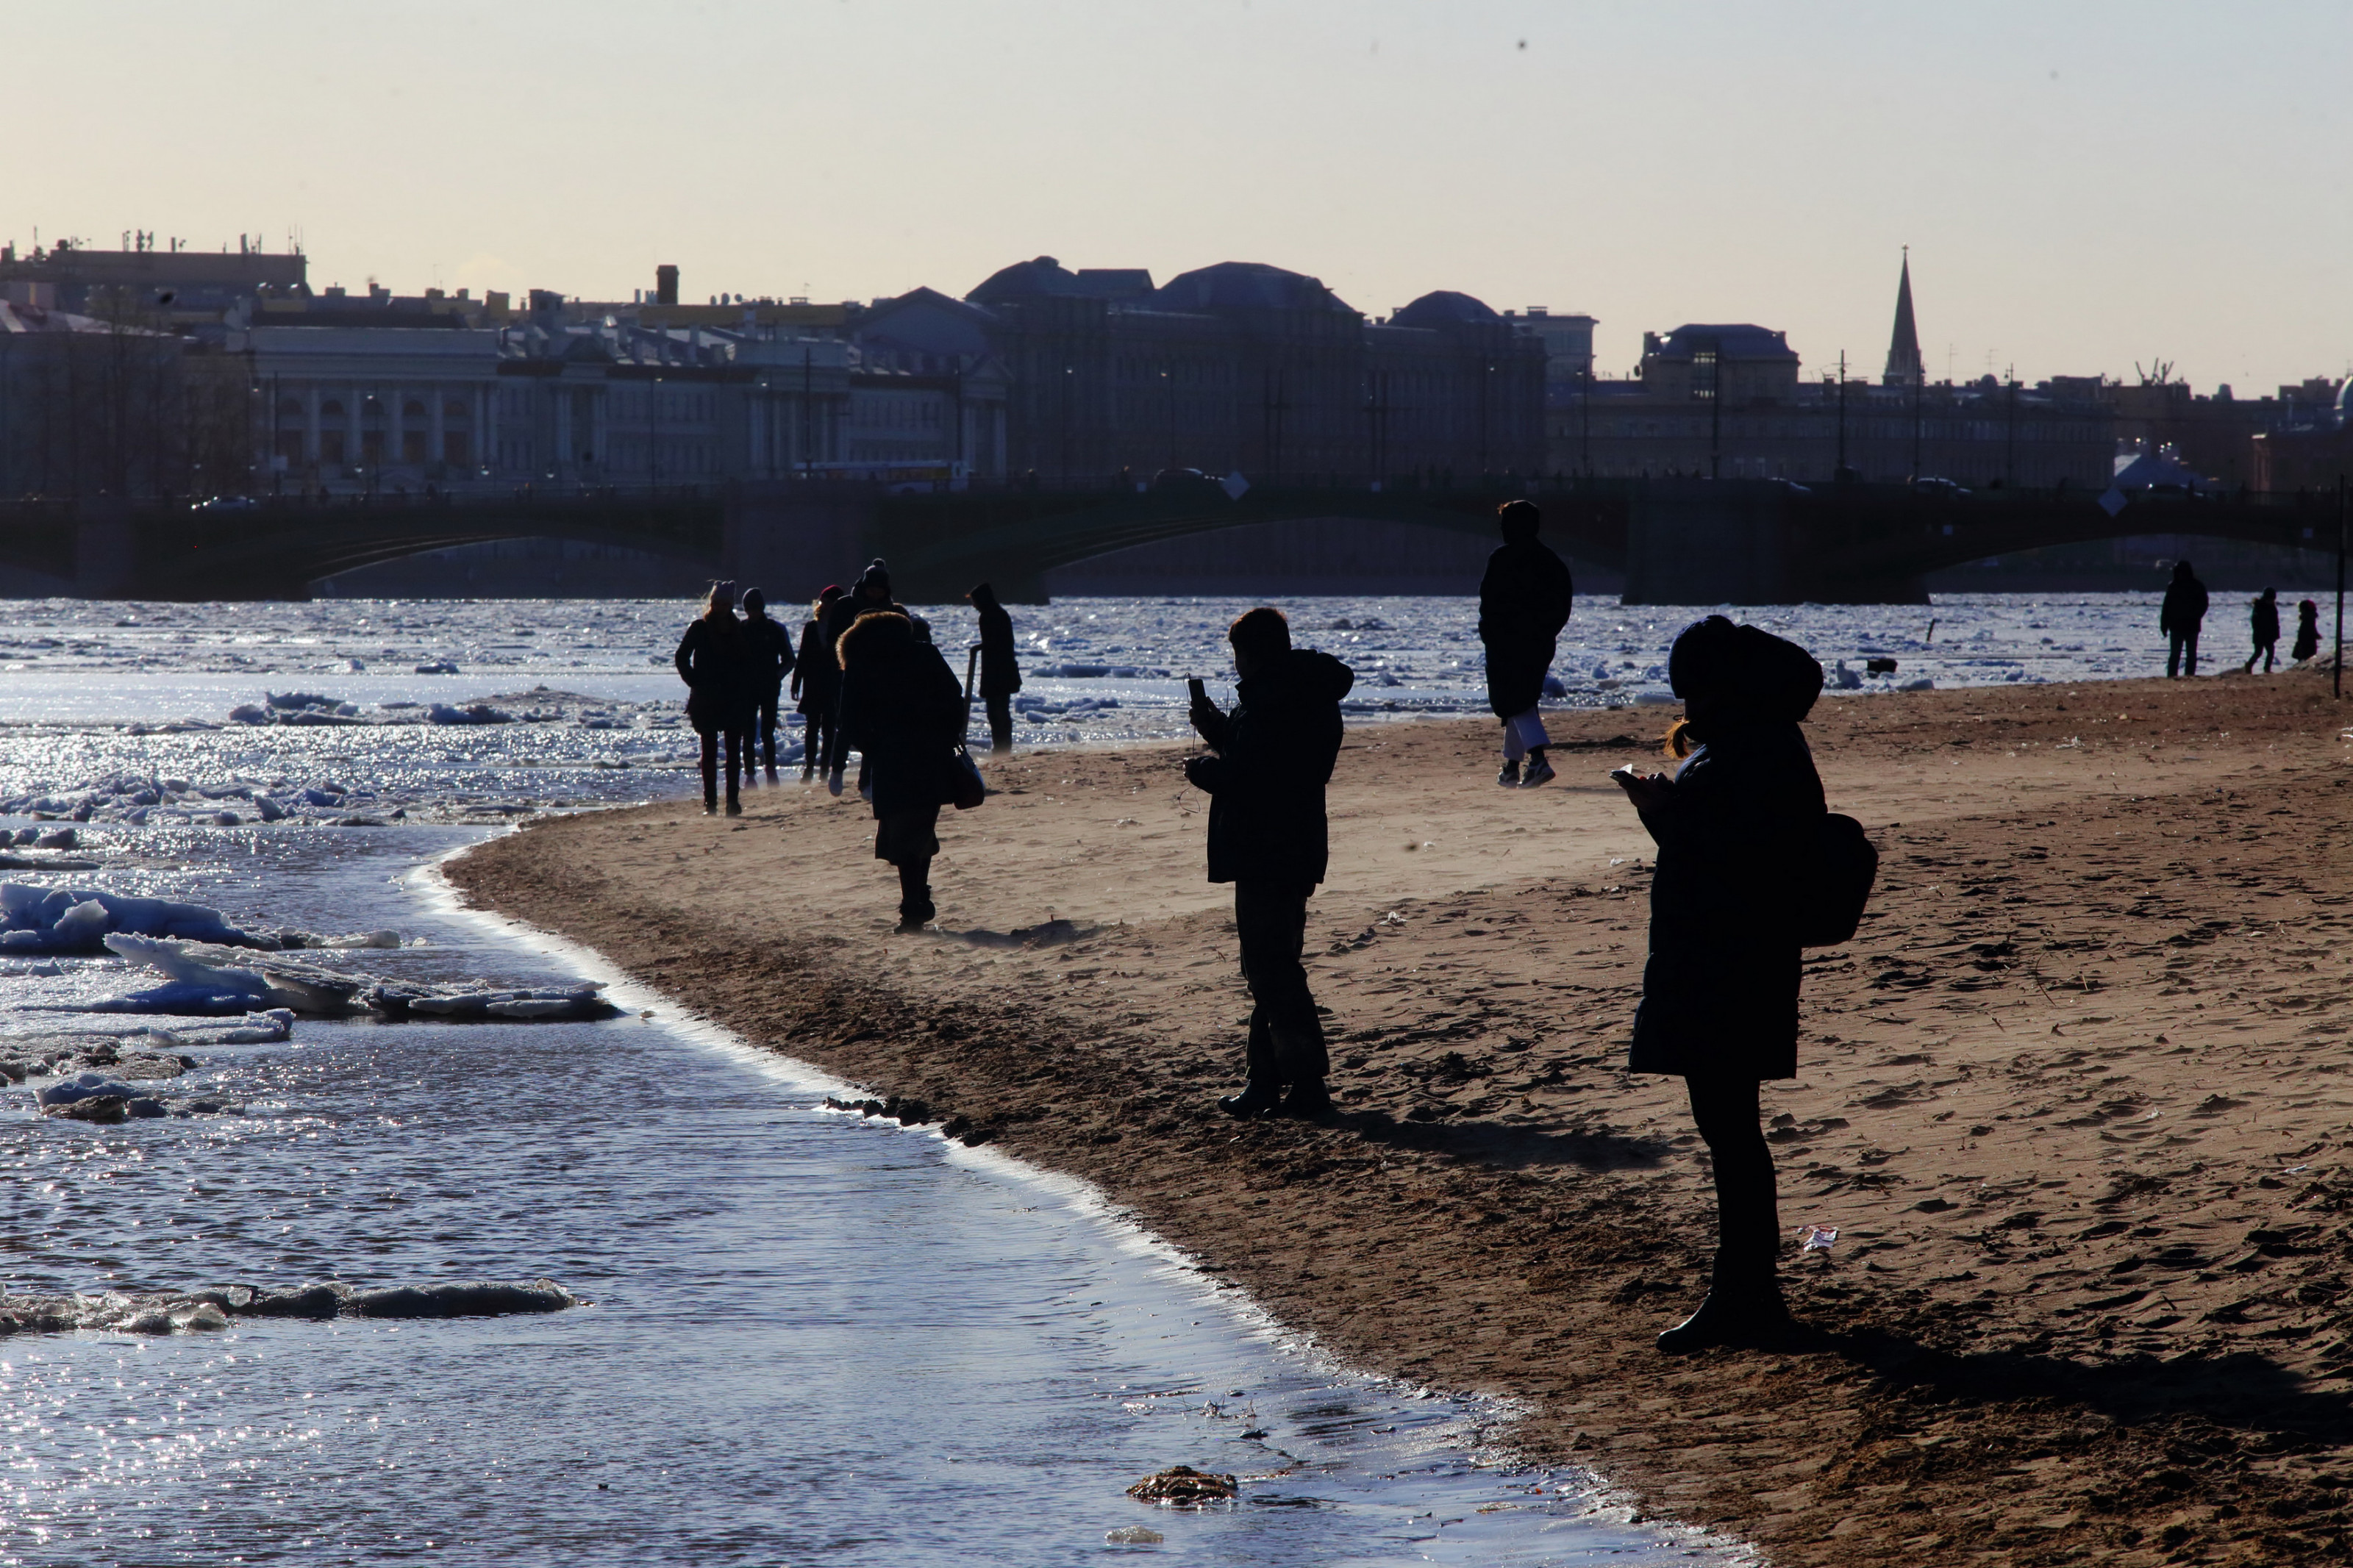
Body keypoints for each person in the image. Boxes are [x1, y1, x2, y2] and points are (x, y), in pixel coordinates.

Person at [1612, 615, 1826, 1353]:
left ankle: (1743, 1293)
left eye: (1690, 688)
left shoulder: (1750, 748)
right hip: (1732, 958)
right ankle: (1743, 1289)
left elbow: (1741, 856)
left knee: (1729, 1129)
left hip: (1726, 960)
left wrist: (1666, 814)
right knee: (1729, 1127)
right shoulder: (1756, 740)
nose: (1686, 703)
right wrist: (1665, 815)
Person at [1183, 607, 1355, 1120]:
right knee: (1271, 966)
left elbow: (1256, 777)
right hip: (1294, 844)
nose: (1236, 665)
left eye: (1239, 654)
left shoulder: (1274, 700)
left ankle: (1304, 1084)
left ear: (1256, 652)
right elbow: (1263, 760)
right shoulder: (1303, 693)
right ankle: (1265, 1080)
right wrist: (1214, 725)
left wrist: (1209, 775)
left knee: (1271, 969)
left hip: (1269, 848)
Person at [835, 609, 966, 931]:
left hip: (890, 759)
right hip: (930, 755)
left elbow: (848, 719)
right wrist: (945, 736)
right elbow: (954, 697)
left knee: (901, 829)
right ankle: (917, 899)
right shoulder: (924, 653)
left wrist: (873, 747)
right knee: (921, 826)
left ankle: (913, 906)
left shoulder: (861, 661)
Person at [1478, 499, 1574, 788]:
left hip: (1506, 643)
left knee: (1513, 699)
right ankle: (1510, 768)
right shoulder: (1551, 560)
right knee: (1522, 700)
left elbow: (1490, 603)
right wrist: (1546, 632)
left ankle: (1538, 760)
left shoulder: (1502, 558)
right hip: (1539, 642)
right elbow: (1562, 605)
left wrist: (1490, 634)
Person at [823, 559, 909, 797]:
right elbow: (833, 641)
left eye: (880, 590)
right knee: (847, 725)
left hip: (880, 677)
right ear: (864, 586)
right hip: (848, 674)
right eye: (872, 589)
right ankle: (838, 769)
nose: (875, 594)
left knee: (877, 728)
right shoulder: (845, 606)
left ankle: (867, 781)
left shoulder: (892, 610)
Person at [674, 581, 754, 816]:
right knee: (708, 753)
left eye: (725, 604)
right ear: (711, 603)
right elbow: (681, 657)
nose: (720, 607)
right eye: (716, 603)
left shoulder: (739, 629)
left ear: (731, 605)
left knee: (732, 754)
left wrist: (745, 686)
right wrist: (694, 681)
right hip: (706, 698)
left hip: (733, 697)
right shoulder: (699, 627)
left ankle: (732, 802)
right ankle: (710, 804)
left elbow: (749, 662)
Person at [739, 587, 797, 780]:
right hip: (747, 689)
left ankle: (771, 771)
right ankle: (749, 774)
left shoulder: (775, 629)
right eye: (749, 609)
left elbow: (790, 660)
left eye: (755, 608)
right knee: (747, 732)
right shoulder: (741, 629)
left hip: (769, 688)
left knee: (767, 732)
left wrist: (776, 676)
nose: (752, 612)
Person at [792, 585, 846, 781]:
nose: (825, 604)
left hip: (833, 682)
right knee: (812, 726)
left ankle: (824, 769)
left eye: (830, 601)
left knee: (830, 727)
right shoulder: (811, 626)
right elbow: (803, 656)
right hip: (813, 682)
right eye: (824, 601)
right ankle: (808, 768)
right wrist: (796, 682)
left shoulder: (843, 627)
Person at [968, 581, 1022, 754]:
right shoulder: (999, 613)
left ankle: (1002, 747)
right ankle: (1003, 746)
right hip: (1001, 670)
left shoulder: (989, 615)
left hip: (997, 671)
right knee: (1000, 711)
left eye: (975, 601)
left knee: (996, 712)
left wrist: (980, 647)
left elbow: (996, 642)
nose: (974, 606)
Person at [2161, 559, 2209, 679]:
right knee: (2175, 654)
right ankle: (2172, 676)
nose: (2180, 574)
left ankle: (2189, 676)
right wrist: (2164, 625)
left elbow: (2204, 604)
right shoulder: (2173, 586)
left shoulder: (2197, 586)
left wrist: (2196, 616)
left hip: (2191, 625)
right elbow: (2166, 607)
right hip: (2178, 626)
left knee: (2190, 654)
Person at [2244, 587, 2281, 674]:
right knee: (2258, 653)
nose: (2271, 601)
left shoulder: (2273, 608)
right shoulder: (2259, 607)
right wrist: (2260, 632)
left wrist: (2276, 634)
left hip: (2269, 635)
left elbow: (2275, 622)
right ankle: (2249, 665)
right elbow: (2255, 623)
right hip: (2260, 635)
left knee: (2271, 653)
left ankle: (2267, 669)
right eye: (2270, 599)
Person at [2293, 598, 2322, 663]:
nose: (2299, 611)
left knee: (2304, 659)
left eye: (2300, 609)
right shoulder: (2310, 618)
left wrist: (2315, 635)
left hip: (2306, 644)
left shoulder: (2307, 618)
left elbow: (2310, 630)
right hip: (2309, 643)